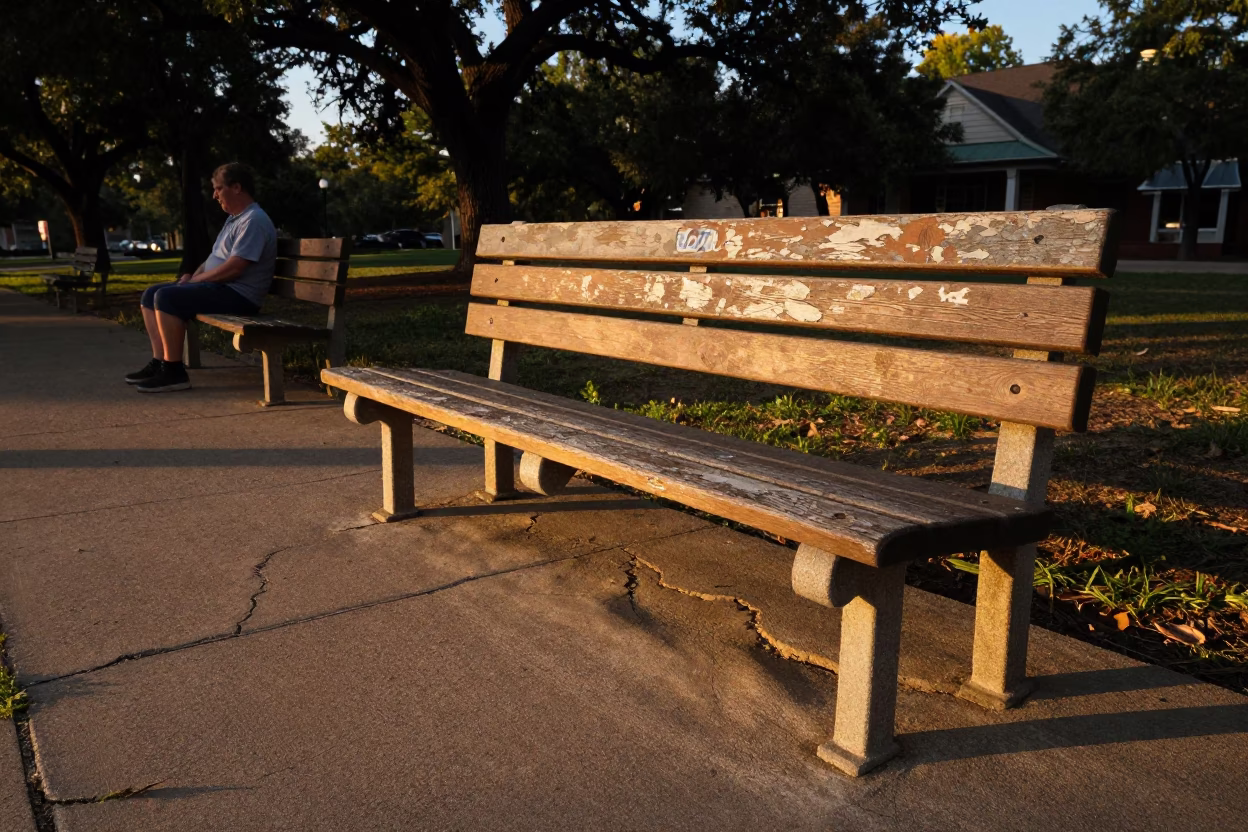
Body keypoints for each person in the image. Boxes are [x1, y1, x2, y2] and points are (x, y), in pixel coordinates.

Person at [125, 163, 277, 392]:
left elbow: (235, 268)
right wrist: (192, 277)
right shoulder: (235, 219)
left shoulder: (253, 220)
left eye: (218, 188)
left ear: (236, 187)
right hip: (224, 289)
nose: (215, 195)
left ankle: (174, 371)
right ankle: (161, 362)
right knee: (151, 295)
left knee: (167, 298)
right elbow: (213, 259)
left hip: (240, 295)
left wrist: (196, 282)